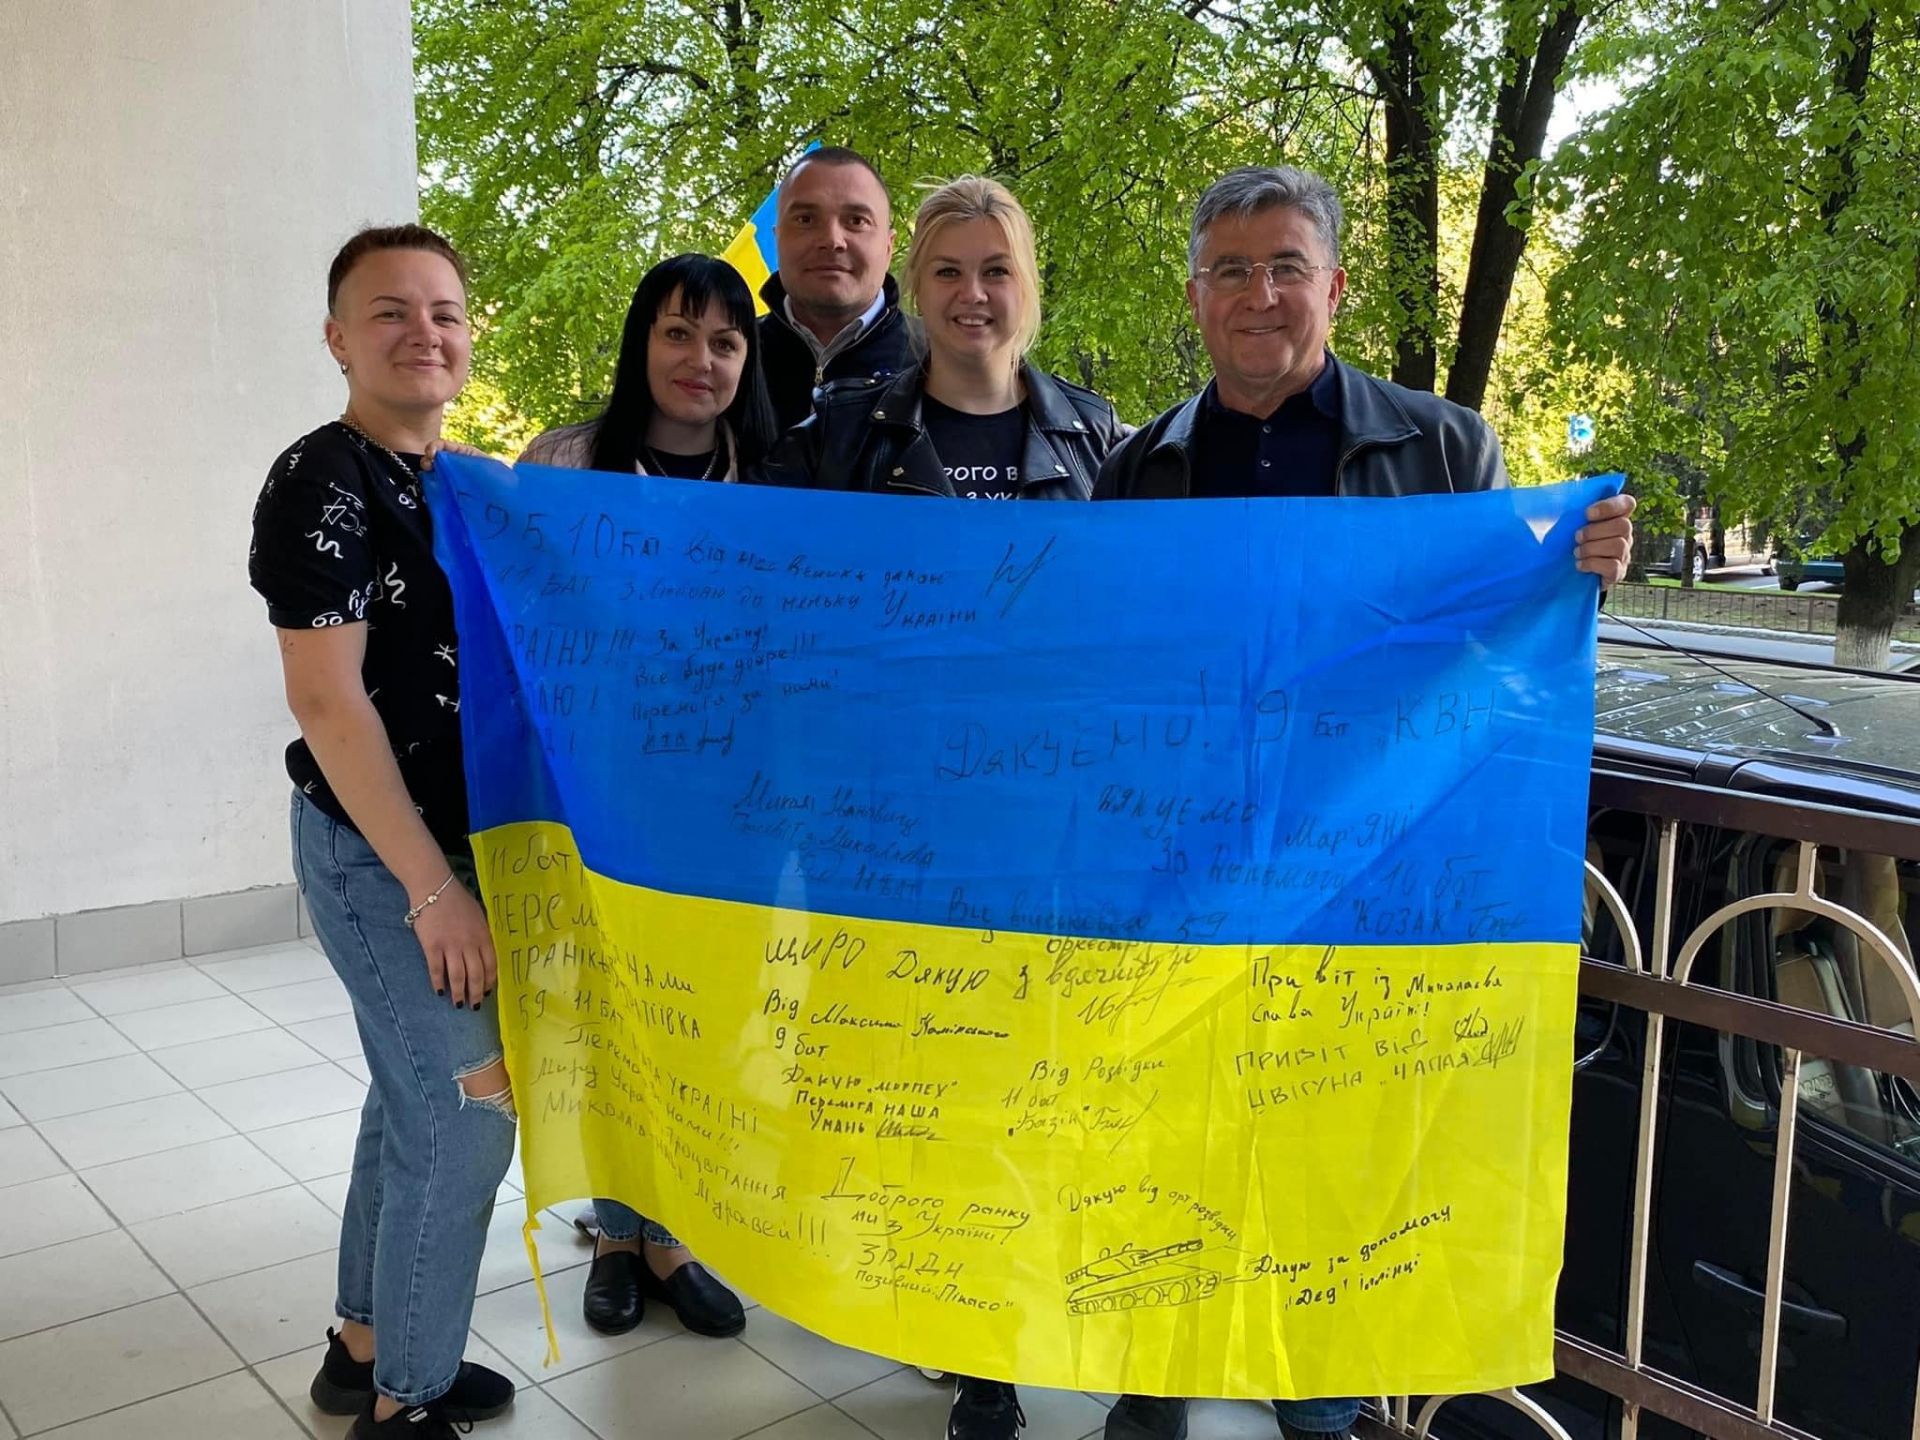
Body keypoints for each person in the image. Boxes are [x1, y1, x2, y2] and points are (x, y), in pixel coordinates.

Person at [1094, 165, 1634, 1440]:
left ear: (1333, 286)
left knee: (1333, 1145)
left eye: (1287, 266)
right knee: (1170, 1135)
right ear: (1195, 296)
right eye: (1231, 269)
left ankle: (1321, 1405)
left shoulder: (1447, 450)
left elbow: (1496, 651)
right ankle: (1155, 1381)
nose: (1260, 293)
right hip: (1187, 868)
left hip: (1364, 879)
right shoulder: (1137, 470)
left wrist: (1579, 573)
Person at [761, 174, 1119, 1440]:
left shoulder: (1100, 440)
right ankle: (968, 1345)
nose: (974, 295)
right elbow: (745, 572)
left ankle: (1004, 1330)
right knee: (916, 1083)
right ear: (915, 288)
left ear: (1029, 287)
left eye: (996, 270)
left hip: (1045, 830)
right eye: (950, 272)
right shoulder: (843, 434)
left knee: (1025, 1087)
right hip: (892, 827)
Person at [249, 225, 517, 1440]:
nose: (425, 333)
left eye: (445, 312)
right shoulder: (323, 478)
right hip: (381, 855)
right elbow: (328, 702)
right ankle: (407, 1405)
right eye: (391, 312)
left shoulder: (459, 482)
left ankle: (366, 1347)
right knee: (464, 1115)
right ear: (337, 338)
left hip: (465, 843)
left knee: (406, 1096)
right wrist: (431, 889)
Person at [518, 254, 775, 1339]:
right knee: (616, 1016)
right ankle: (622, 1236)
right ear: (641, 344)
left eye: (724, 341)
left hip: (727, 806)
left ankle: (676, 1230)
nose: (699, 359)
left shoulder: (776, 481)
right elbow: (517, 619)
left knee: (704, 1021)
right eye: (677, 333)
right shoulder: (563, 464)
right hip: (598, 801)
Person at [758, 145, 921, 432]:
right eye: (806, 220)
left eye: (856, 221)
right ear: (777, 239)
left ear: (888, 247)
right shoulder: (728, 358)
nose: (832, 240)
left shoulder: (941, 360)